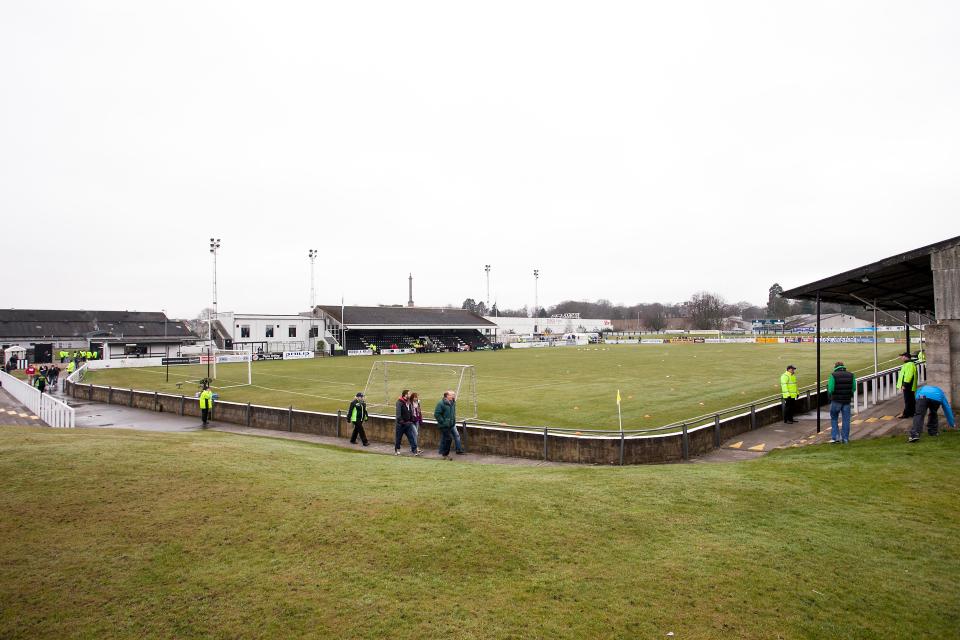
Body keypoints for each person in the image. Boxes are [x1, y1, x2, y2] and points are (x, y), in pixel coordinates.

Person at [827, 361, 856, 444]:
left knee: (834, 418)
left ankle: (836, 438)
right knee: (846, 420)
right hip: (847, 401)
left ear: (835, 367)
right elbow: (854, 388)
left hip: (836, 400)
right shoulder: (851, 375)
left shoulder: (833, 375)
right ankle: (845, 439)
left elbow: (831, 389)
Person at [434, 390, 464, 458]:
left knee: (446, 438)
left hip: (451, 424)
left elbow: (452, 414)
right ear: (447, 396)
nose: (453, 396)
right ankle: (445, 454)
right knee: (448, 439)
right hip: (444, 426)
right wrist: (443, 422)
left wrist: (453, 421)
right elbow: (437, 414)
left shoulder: (452, 402)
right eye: (452, 395)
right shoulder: (441, 403)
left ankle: (444, 453)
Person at [394, 390, 419, 455]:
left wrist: (411, 419)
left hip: (408, 424)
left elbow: (410, 411)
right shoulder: (399, 402)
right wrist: (402, 422)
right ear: (405, 395)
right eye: (409, 394)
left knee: (411, 437)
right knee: (398, 438)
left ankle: (414, 451)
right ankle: (397, 450)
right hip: (400, 425)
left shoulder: (408, 402)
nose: (410, 395)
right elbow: (398, 414)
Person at [896, 352, 918, 419]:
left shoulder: (909, 364)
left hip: (908, 385)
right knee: (911, 399)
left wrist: (904, 385)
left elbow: (908, 376)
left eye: (902, 357)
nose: (901, 358)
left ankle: (906, 414)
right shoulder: (910, 364)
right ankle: (912, 412)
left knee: (908, 400)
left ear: (905, 357)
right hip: (910, 385)